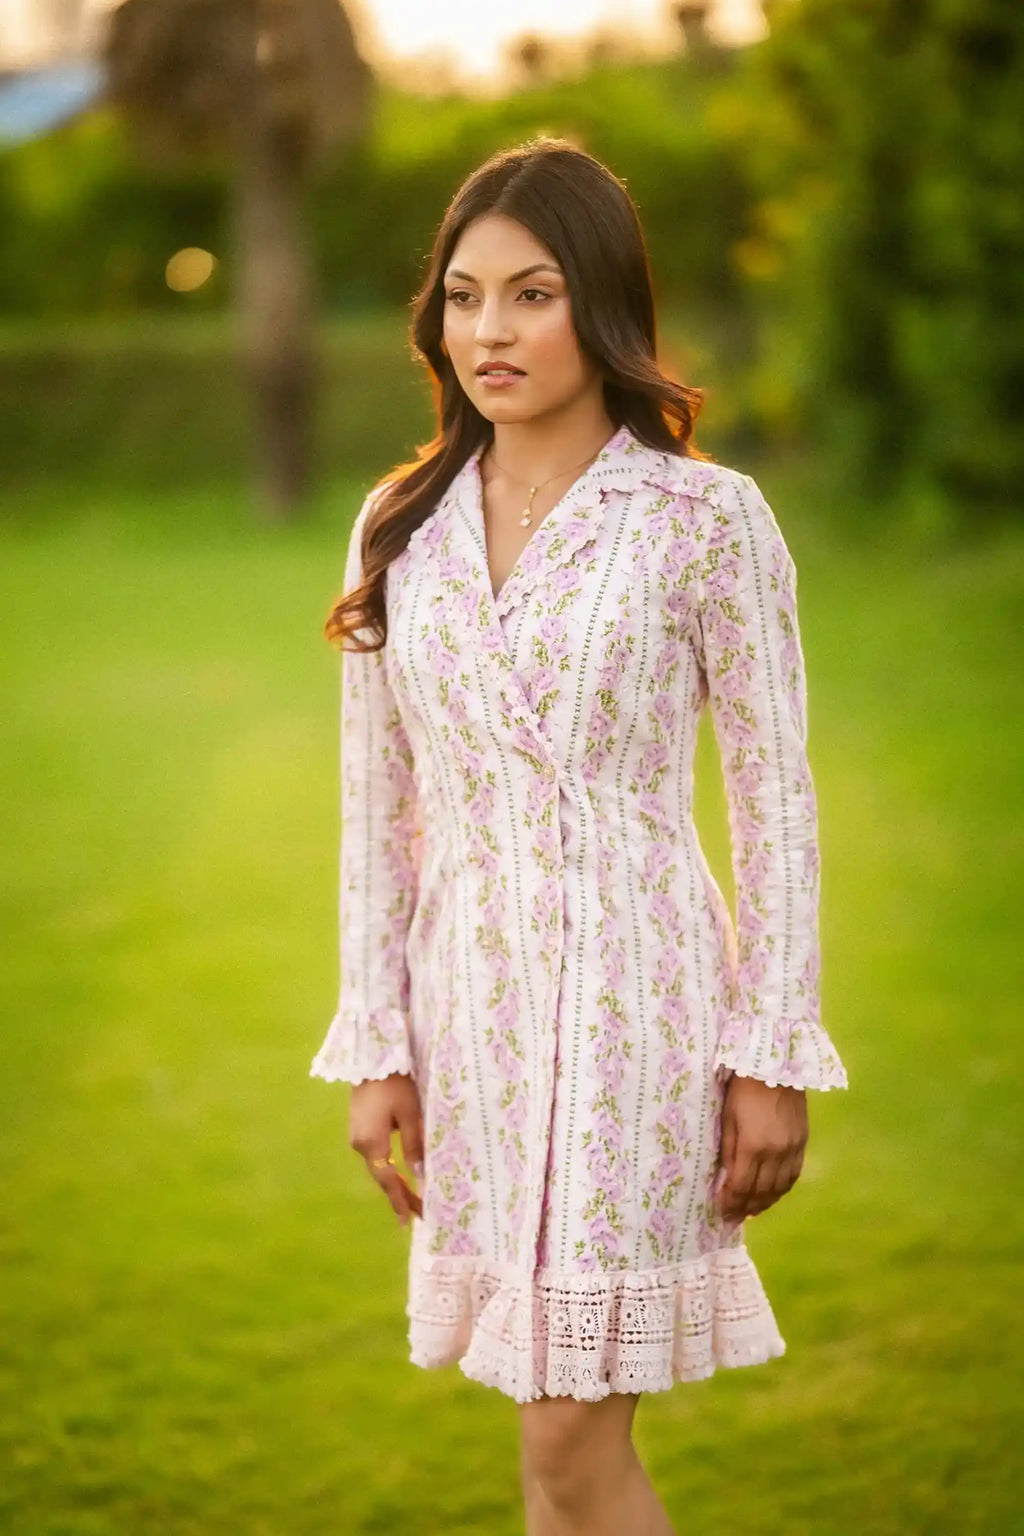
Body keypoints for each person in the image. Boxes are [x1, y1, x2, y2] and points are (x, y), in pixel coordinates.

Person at [310, 135, 849, 1536]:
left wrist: (769, 1051)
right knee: (541, 1435)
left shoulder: (704, 522)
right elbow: (381, 810)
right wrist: (378, 1045)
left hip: (642, 1009)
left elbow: (777, 800)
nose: (489, 330)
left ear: (600, 301)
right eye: (465, 295)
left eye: (532, 293)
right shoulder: (399, 523)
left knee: (568, 1444)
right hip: (472, 1006)